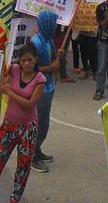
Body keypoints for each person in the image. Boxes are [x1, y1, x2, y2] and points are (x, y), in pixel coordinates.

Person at [0, 43, 46, 203]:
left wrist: (9, 92)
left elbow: (29, 104)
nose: (26, 64)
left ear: (35, 59)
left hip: (28, 129)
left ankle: (14, 199)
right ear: (19, 61)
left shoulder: (40, 79)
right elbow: (1, 76)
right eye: (23, 60)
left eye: (30, 60)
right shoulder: (14, 70)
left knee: (23, 167)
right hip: (9, 125)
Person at [30, 10, 59, 172]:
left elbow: (53, 61)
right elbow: (31, 68)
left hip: (49, 87)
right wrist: (51, 67)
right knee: (38, 123)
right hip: (40, 88)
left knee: (44, 123)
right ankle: (31, 156)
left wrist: (57, 58)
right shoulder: (36, 43)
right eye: (53, 23)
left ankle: (37, 149)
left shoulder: (49, 40)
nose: (55, 26)